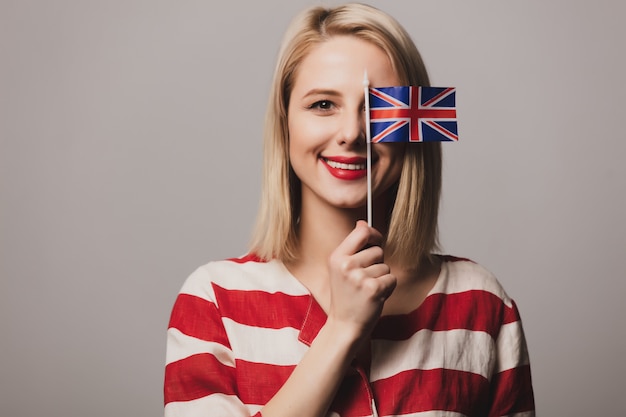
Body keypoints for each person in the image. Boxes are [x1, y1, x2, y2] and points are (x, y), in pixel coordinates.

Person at [164, 3, 535, 417]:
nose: (352, 133)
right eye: (323, 104)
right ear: (285, 121)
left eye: (377, 108)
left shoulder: (481, 302)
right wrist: (342, 329)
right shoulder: (214, 299)